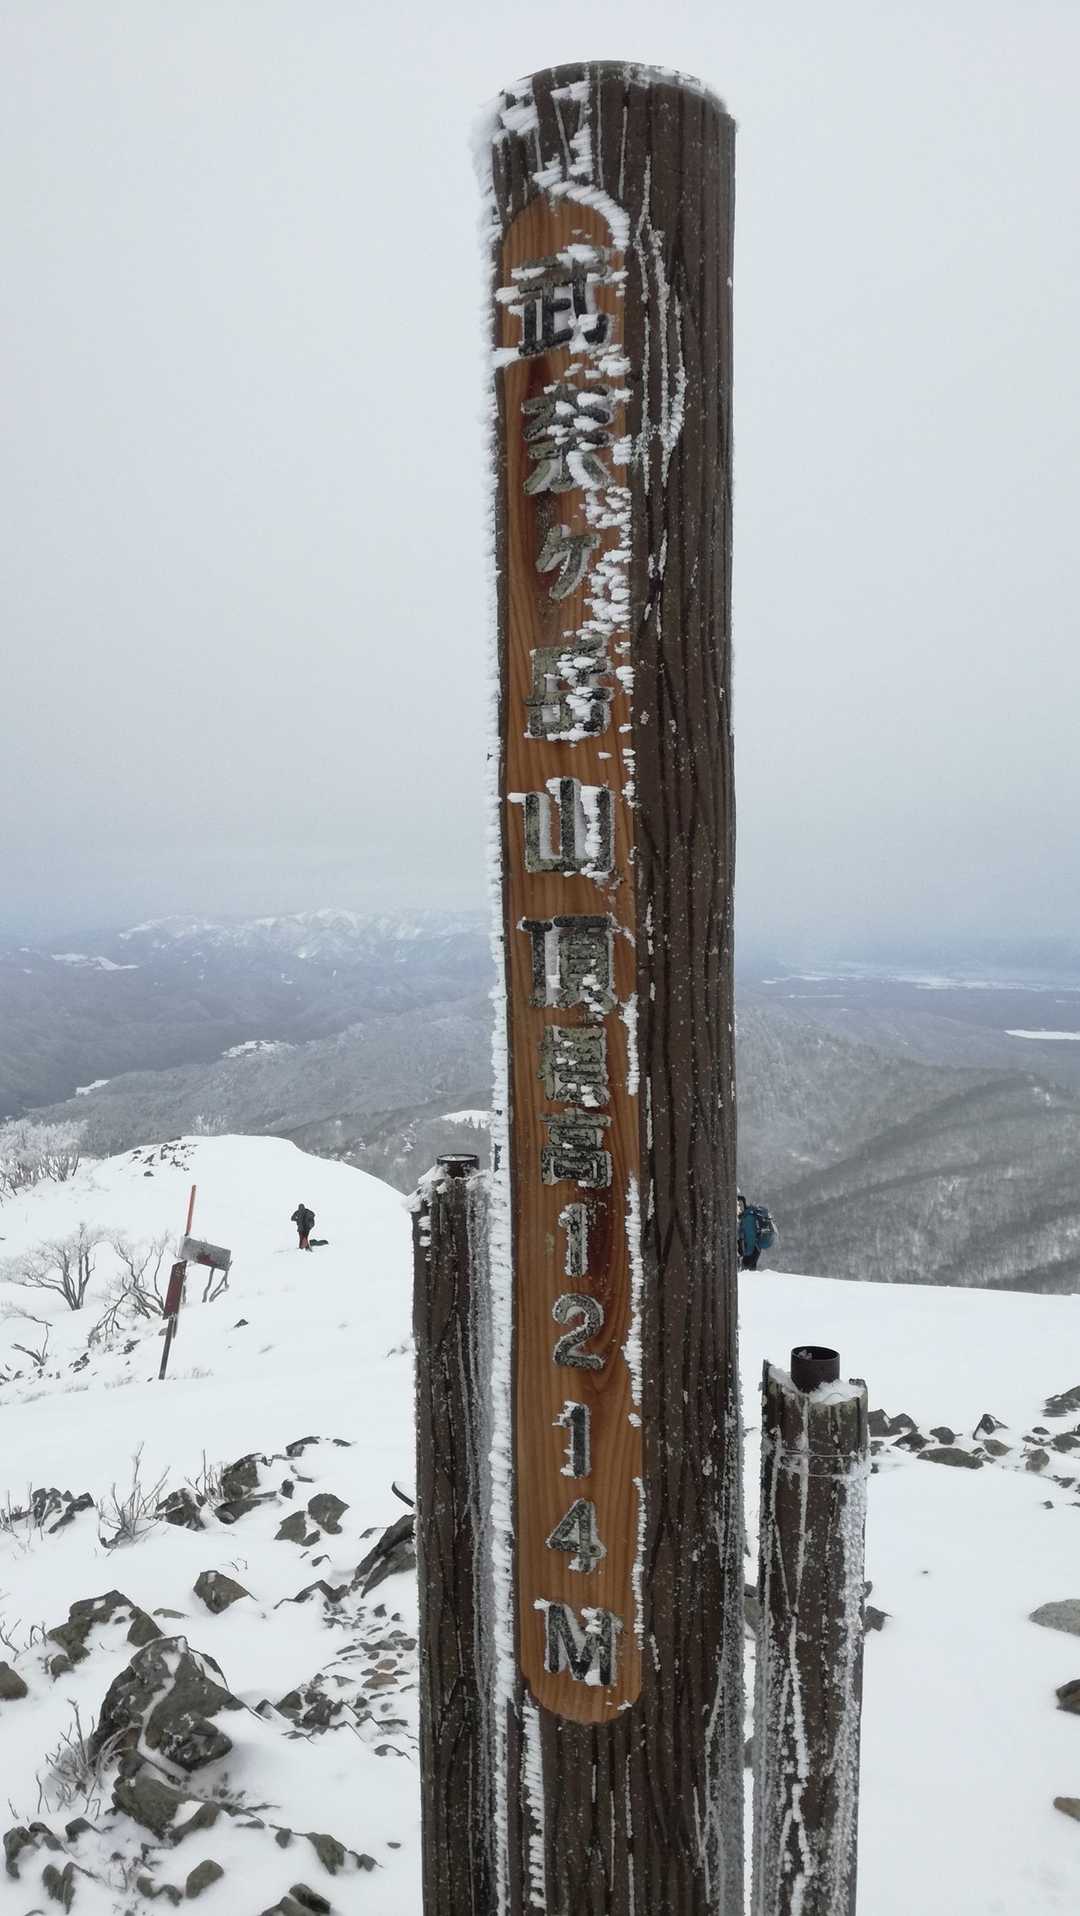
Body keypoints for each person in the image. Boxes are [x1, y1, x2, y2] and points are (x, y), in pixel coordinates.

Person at [737, 1191, 773, 1271]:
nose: (738, 1208)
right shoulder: (748, 1214)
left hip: (752, 1249)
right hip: (755, 1248)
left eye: (739, 1205)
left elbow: (750, 1237)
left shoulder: (748, 1218)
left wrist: (746, 1253)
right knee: (751, 1270)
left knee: (747, 1272)